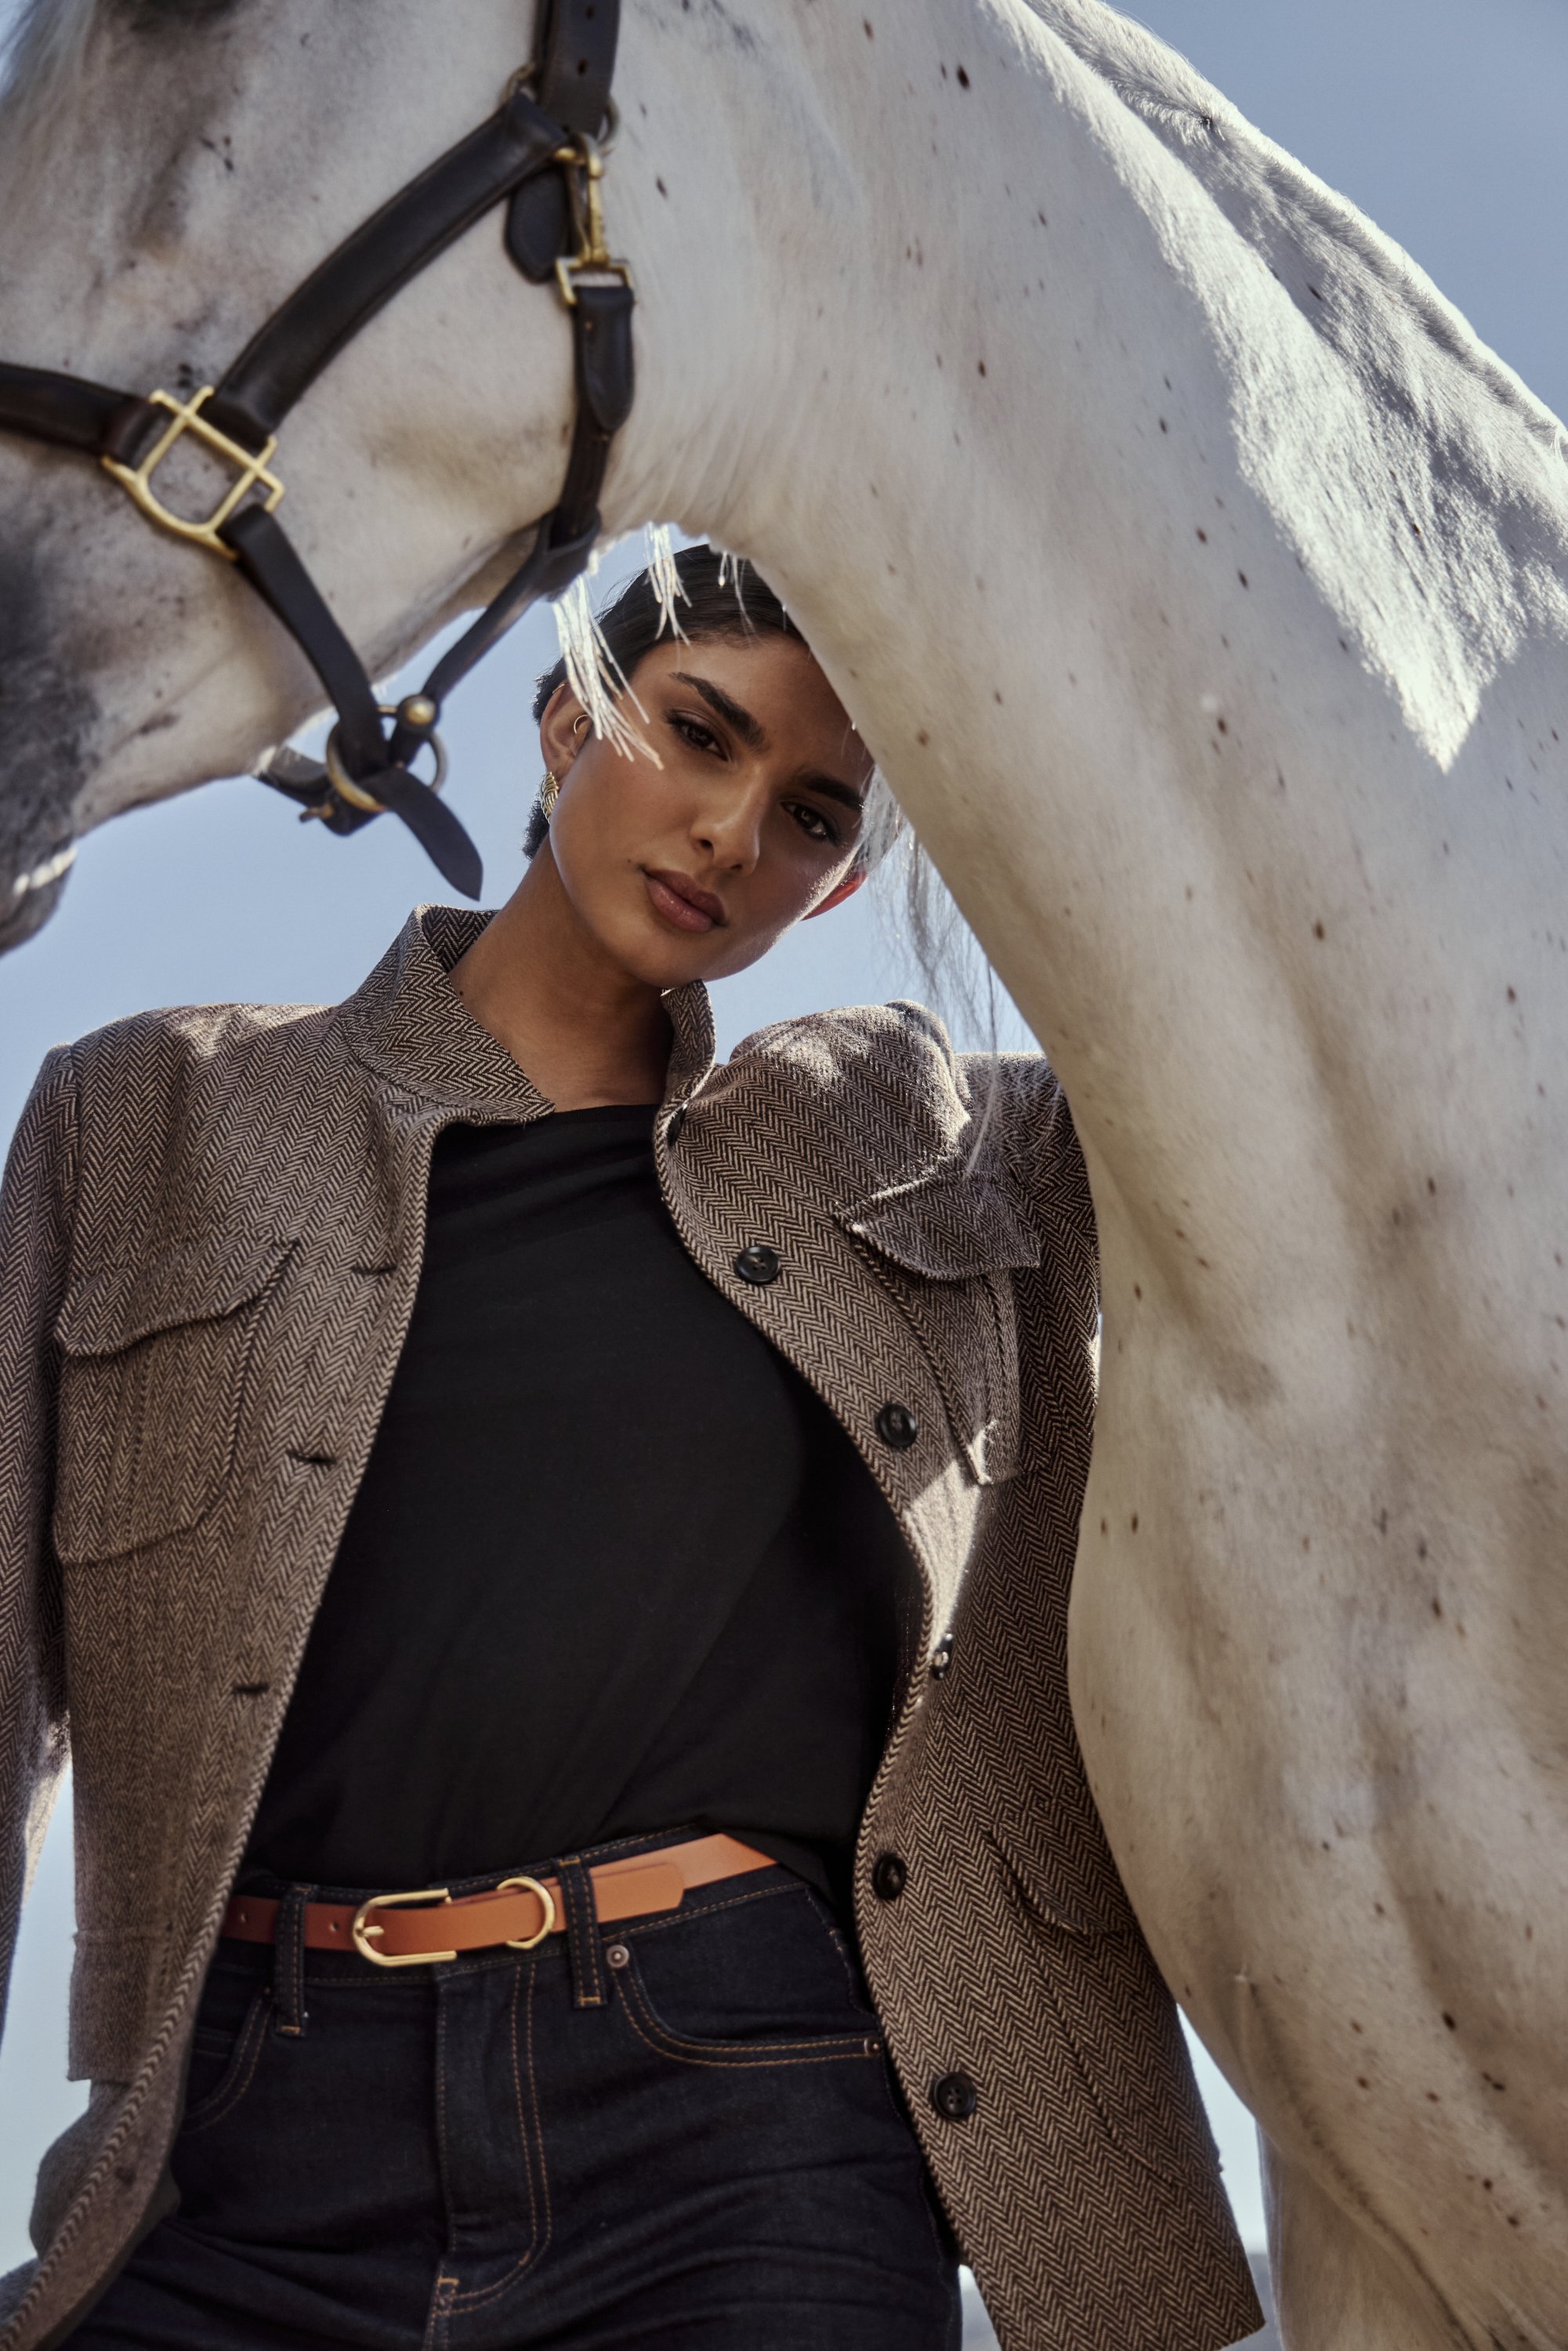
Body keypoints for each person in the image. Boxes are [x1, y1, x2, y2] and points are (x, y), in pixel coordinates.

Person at [0, 547, 1260, 2351]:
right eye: (696, 734)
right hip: (236, 2135)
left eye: (812, 813)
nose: (732, 830)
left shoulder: (936, 1145)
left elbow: (1284, 1033)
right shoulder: (148, 1115)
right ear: (564, 718)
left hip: (737, 2118)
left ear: (831, 889)